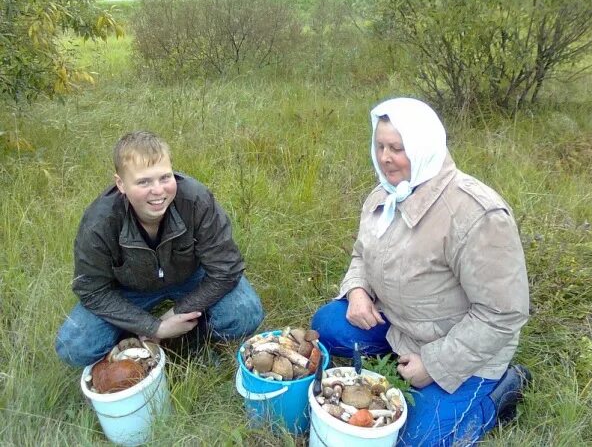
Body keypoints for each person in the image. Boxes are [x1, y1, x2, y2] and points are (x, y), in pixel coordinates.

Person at [311, 98, 531, 446]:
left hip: (463, 351)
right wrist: (356, 291)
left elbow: (503, 313)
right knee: (327, 326)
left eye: (397, 148)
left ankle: (500, 390)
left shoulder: (478, 216)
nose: (385, 157)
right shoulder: (385, 195)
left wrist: (434, 364)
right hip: (402, 325)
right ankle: (402, 361)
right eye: (380, 146)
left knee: (413, 439)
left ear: (423, 147)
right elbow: (361, 254)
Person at [56, 131, 264, 367]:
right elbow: (91, 290)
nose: (158, 190)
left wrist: (177, 313)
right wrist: (153, 326)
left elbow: (226, 269)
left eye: (165, 177)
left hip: (190, 277)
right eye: (143, 181)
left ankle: (192, 340)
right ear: (121, 184)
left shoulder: (196, 201)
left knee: (245, 313)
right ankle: (135, 346)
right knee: (74, 346)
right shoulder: (99, 222)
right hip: (128, 289)